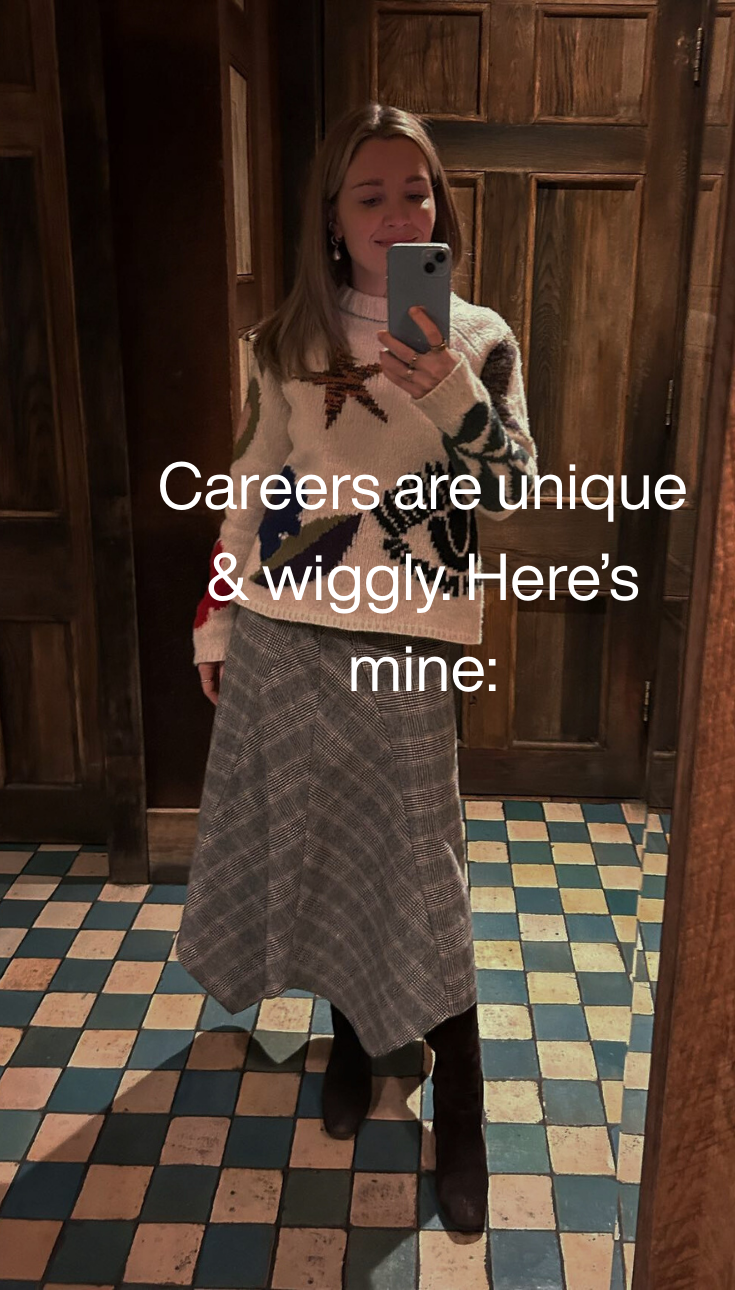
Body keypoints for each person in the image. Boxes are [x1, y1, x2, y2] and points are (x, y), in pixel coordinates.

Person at [176, 102, 538, 1233]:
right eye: (370, 197)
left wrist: (446, 391)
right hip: (288, 631)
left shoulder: (476, 336)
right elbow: (250, 489)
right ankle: (354, 1042)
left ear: (441, 205)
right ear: (331, 219)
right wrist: (218, 624)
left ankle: (462, 1106)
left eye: (416, 193)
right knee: (326, 851)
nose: (397, 215)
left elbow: (515, 484)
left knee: (424, 875)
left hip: (408, 646)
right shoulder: (283, 340)